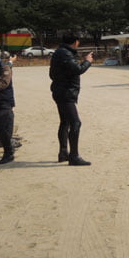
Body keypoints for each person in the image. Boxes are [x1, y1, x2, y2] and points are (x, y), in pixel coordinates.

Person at [49, 33, 93, 166]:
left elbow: (53, 74)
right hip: (66, 93)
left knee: (65, 122)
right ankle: (73, 156)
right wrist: (87, 61)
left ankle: (63, 153)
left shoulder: (60, 52)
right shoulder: (65, 54)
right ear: (75, 42)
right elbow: (78, 69)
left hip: (61, 91)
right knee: (76, 123)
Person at [0, 51, 17, 165]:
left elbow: (3, 83)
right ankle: (10, 142)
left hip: (4, 102)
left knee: (2, 128)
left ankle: (8, 153)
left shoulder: (4, 67)